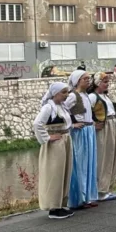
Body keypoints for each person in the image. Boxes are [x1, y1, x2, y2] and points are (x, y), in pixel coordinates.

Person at [33, 82, 75, 219]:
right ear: (55, 93)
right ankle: (53, 207)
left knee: (64, 172)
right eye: (63, 92)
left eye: (67, 92)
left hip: (64, 141)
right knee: (55, 174)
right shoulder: (48, 108)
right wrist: (48, 137)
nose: (66, 95)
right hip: (55, 144)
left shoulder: (61, 107)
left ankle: (61, 204)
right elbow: (37, 124)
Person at [65, 70, 98, 209]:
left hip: (89, 131)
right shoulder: (73, 96)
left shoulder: (86, 95)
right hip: (80, 133)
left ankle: (88, 196)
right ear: (78, 81)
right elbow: (63, 110)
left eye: (89, 78)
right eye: (85, 79)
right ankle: (79, 197)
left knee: (90, 163)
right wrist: (72, 124)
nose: (88, 80)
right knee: (80, 164)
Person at [88, 72, 116, 201]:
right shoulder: (92, 97)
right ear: (97, 83)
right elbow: (85, 113)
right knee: (103, 157)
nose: (107, 84)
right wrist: (93, 124)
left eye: (107, 82)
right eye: (104, 82)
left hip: (112, 125)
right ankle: (101, 189)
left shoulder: (106, 97)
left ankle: (107, 187)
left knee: (112, 155)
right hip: (103, 127)